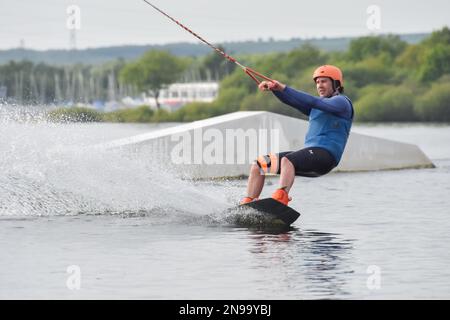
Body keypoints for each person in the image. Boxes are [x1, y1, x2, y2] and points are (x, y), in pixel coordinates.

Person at [240, 65, 354, 206]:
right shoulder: (316, 108)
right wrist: (275, 90)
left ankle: (281, 198)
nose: (320, 85)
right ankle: (247, 203)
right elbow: (293, 101)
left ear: (336, 84)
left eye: (324, 81)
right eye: (317, 82)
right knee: (260, 164)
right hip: (310, 155)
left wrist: (283, 88)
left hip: (326, 157)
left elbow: (313, 101)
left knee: (287, 160)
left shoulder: (342, 102)